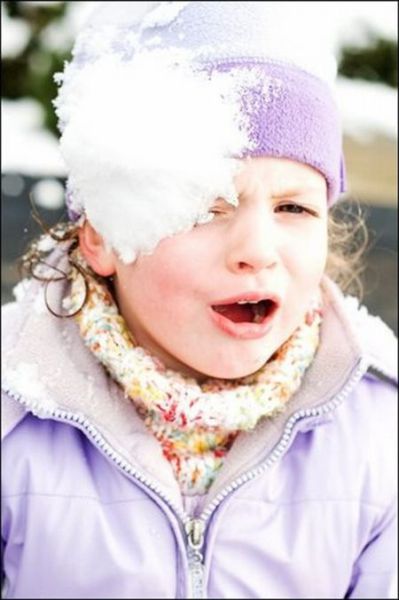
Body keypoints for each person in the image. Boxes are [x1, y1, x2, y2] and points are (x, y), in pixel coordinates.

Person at [2, 2, 397, 598]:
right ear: (107, 234)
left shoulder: (377, 435)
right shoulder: (14, 424)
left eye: (294, 208)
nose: (257, 250)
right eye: (207, 207)